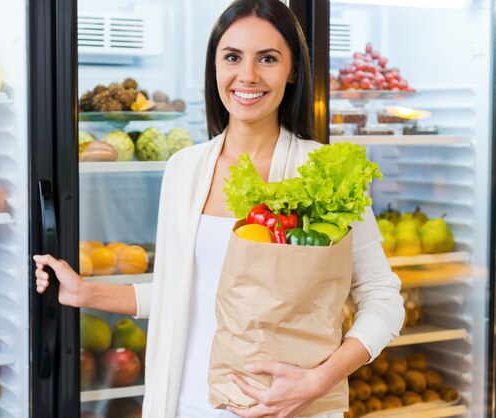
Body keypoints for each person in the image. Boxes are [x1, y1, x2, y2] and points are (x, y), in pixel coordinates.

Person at [34, 1, 405, 417]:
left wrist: (319, 380)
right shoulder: (184, 170)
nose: (247, 75)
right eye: (232, 57)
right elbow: (184, 293)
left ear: (293, 71)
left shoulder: (323, 173)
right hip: (183, 404)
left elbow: (383, 299)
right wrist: (84, 291)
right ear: (214, 67)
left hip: (288, 407)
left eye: (268, 58)